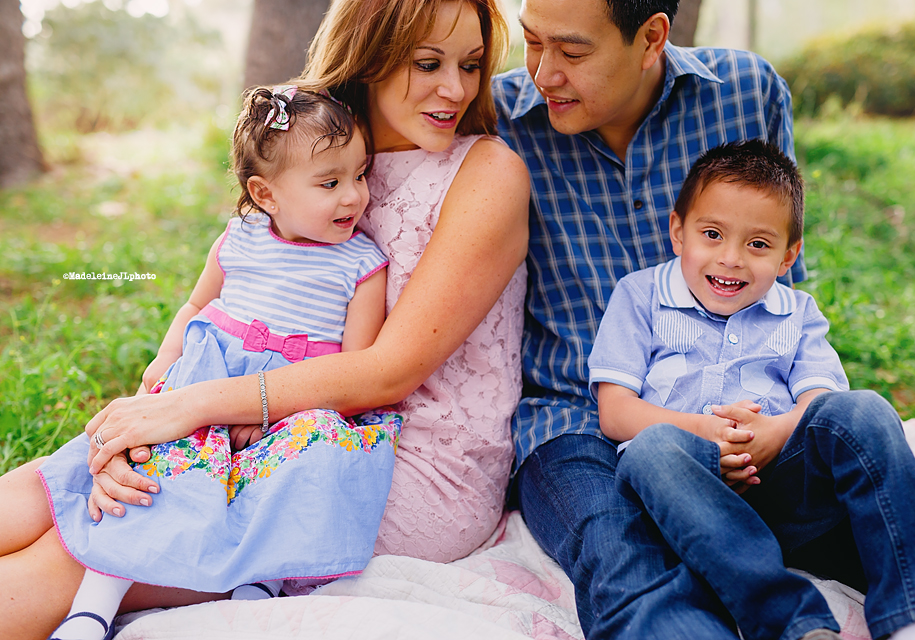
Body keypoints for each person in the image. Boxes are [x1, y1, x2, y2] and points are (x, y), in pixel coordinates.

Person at [0, 1, 529, 638]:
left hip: (386, 456)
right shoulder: (316, 150)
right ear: (369, 56)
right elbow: (223, 300)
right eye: (427, 63)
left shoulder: (487, 172)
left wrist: (192, 409)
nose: (457, 88)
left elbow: (385, 375)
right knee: (52, 484)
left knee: (81, 546)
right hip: (263, 415)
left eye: (472, 64)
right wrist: (148, 417)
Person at [490, 1, 915, 639]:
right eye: (532, 43)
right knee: (621, 552)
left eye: (572, 53)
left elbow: (778, 286)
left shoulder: (746, 92)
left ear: (652, 36)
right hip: (583, 421)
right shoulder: (498, 120)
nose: (543, 74)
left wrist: (778, 428)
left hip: (761, 435)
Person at [41, 82, 401, 640]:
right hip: (210, 383)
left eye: (359, 175)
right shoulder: (240, 239)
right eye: (330, 183)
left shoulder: (361, 264)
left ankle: (257, 589)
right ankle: (94, 603)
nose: (354, 197)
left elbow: (355, 367)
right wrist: (166, 358)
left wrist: (277, 414)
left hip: (297, 400)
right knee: (154, 475)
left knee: (308, 462)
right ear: (266, 194)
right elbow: (196, 304)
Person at [590, 139, 915, 640]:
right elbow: (615, 412)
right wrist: (704, 432)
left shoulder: (797, 312)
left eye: (758, 244)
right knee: (650, 450)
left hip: (785, 483)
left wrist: (776, 432)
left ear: (789, 256)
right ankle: (796, 623)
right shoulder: (640, 295)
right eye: (713, 234)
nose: (732, 259)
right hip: (690, 490)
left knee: (877, 424)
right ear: (678, 231)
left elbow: (820, 405)